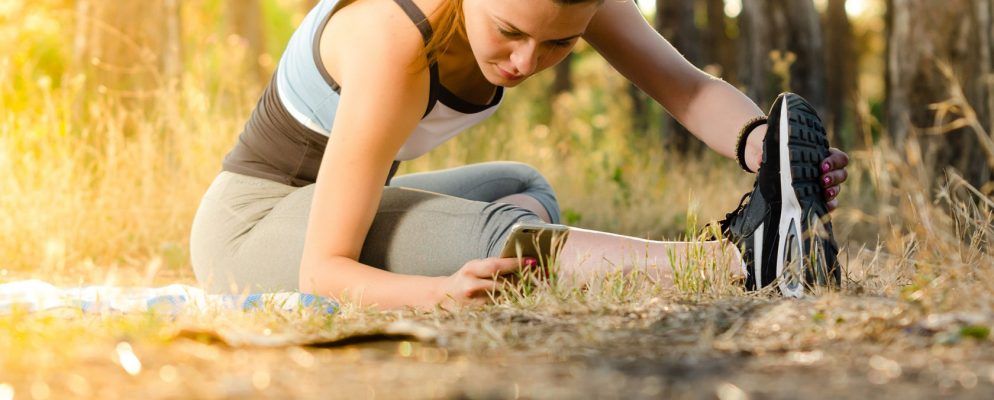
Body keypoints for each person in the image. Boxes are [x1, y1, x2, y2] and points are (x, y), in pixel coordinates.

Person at [189, 0, 850, 308]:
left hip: (325, 208)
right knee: (504, 239)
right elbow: (322, 269)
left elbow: (687, 89)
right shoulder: (393, 42)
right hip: (250, 231)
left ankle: (764, 236)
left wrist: (766, 150)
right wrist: (437, 292)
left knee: (523, 187)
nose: (527, 61)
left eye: (558, 45)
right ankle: (733, 263)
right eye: (509, 32)